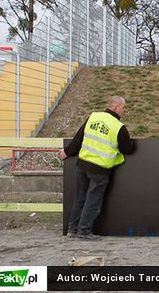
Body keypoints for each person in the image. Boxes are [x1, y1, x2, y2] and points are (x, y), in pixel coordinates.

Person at [58, 95, 135, 240]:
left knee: (80, 198)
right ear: (116, 107)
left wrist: (66, 152)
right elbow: (127, 149)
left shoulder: (93, 117)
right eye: (124, 108)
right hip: (100, 169)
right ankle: (84, 231)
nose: (124, 111)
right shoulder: (118, 126)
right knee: (93, 200)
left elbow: (78, 139)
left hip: (83, 164)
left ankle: (72, 230)